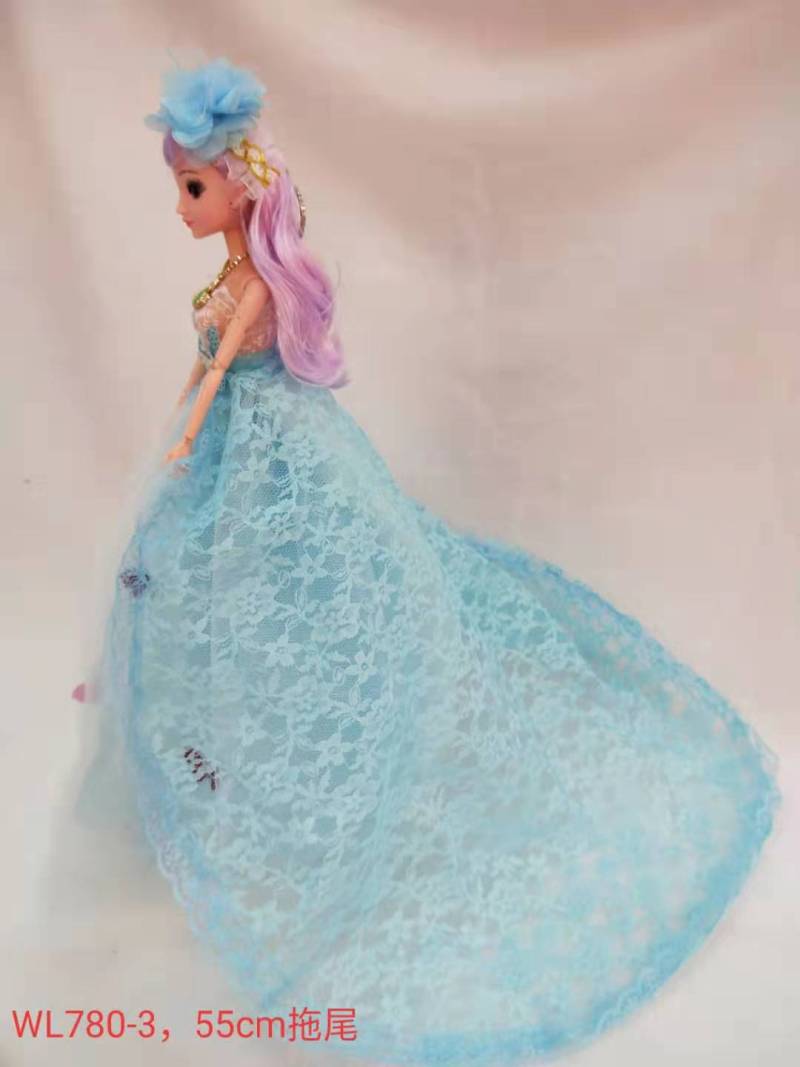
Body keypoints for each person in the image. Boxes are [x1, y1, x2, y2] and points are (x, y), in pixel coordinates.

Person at [71, 55, 782, 1067]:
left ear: (237, 187)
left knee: (332, 587)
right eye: (181, 187)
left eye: (192, 187)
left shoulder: (256, 288)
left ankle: (313, 751)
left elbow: (222, 363)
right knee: (216, 591)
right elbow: (202, 364)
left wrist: (190, 426)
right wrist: (185, 426)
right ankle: (219, 759)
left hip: (272, 449)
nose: (182, 206)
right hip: (225, 450)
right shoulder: (230, 277)